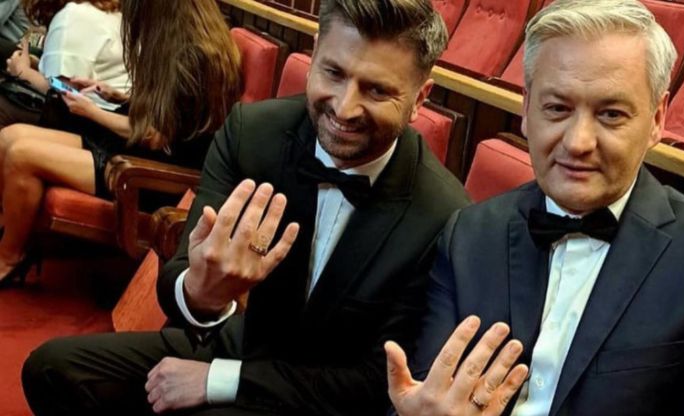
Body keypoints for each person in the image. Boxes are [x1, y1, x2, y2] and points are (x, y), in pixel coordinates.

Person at [22, 0, 468, 415]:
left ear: (419, 98)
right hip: (243, 341)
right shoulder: (253, 133)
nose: (344, 107)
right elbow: (180, 279)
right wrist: (202, 292)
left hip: (321, 395)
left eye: (376, 90)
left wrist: (220, 380)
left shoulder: (442, 215)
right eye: (333, 72)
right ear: (314, 55)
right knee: (52, 368)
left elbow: (377, 383)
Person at [386, 0, 684, 415]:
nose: (578, 142)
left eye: (610, 114)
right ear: (526, 109)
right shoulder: (469, 233)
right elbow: (424, 395)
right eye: (557, 108)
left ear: (657, 119)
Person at [0, 0, 241, 287]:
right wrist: (117, 96)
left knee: (22, 155)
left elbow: (154, 136)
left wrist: (93, 112)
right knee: (9, 137)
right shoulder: (193, 46)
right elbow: (169, 115)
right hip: (136, 150)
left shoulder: (190, 58)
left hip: (152, 173)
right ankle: (13, 240)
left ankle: (9, 257)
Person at [0, 0, 128, 127]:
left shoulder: (72, 17)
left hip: (98, 119)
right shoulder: (104, 8)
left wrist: (23, 72)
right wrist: (39, 64)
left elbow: (64, 92)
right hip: (117, 109)